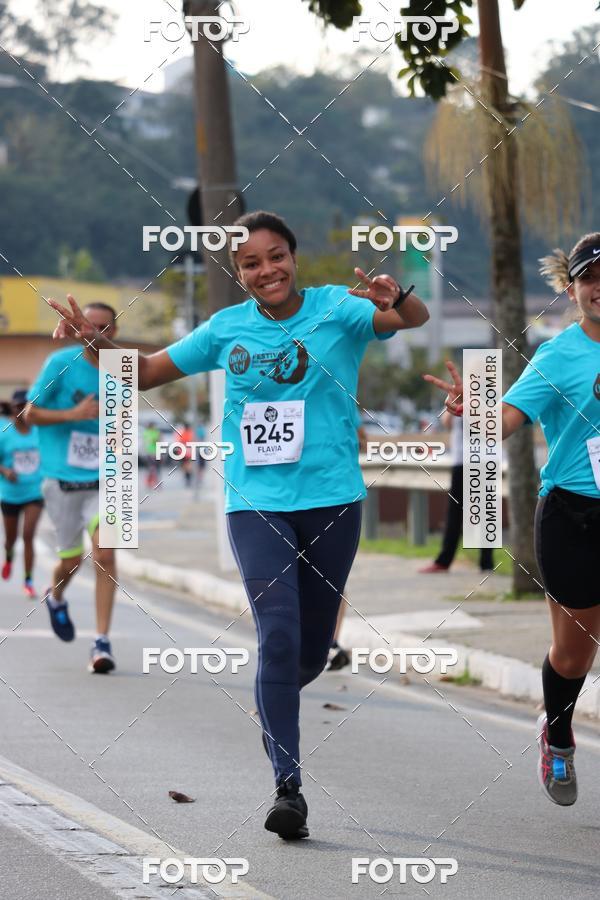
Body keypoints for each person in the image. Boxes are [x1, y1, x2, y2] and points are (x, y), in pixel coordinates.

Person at [46, 210, 429, 839]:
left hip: (333, 500)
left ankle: (273, 695)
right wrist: (97, 348)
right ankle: (288, 788)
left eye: (275, 255)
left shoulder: (339, 309)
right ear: (237, 273)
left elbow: (409, 321)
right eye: (250, 263)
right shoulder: (226, 329)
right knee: (276, 635)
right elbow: (139, 372)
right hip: (256, 502)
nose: (265, 269)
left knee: (305, 653)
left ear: (293, 258)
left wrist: (402, 300)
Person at [424, 231, 600, 808]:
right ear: (571, 289)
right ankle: (559, 730)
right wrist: (473, 409)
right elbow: (505, 421)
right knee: (575, 653)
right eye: (589, 278)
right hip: (574, 514)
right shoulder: (558, 355)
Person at [24, 303, 119, 674]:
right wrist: (72, 415)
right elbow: (29, 413)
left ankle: (101, 642)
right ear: (78, 329)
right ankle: (57, 596)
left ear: (113, 332)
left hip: (105, 480)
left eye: (104, 328)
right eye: (88, 326)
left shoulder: (124, 368)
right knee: (71, 558)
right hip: (61, 481)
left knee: (106, 556)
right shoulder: (60, 363)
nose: (95, 333)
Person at [419, 410, 494, 573]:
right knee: (455, 511)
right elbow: (447, 423)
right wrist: (454, 403)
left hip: (483, 460)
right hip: (461, 460)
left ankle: (487, 563)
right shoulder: (457, 395)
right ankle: (444, 561)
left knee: (484, 512)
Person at [0, 389, 44, 598]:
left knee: (28, 535)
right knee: (11, 539)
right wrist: (5, 470)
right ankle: (8, 557)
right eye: (18, 407)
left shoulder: (39, 431)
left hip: (34, 491)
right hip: (10, 493)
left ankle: (28, 581)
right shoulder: (4, 430)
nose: (21, 411)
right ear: (13, 409)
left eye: (24, 407)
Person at [142, 421, 162, 488]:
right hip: (150, 452)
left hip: (156, 452)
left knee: (156, 468)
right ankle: (150, 482)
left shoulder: (156, 432)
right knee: (151, 468)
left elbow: (159, 440)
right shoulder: (147, 432)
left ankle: (155, 482)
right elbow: (147, 442)